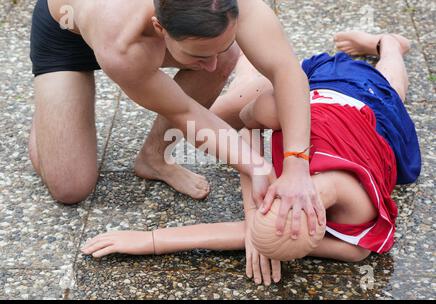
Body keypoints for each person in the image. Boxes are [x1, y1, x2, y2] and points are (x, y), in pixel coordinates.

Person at [81, 30, 421, 286]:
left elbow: (238, 232)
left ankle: (383, 45)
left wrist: (148, 241)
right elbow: (250, 142)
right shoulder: (323, 210)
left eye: (263, 206)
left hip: (361, 116)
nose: (264, 200)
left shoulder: (332, 233)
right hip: (355, 107)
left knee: (391, 84)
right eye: (267, 205)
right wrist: (255, 220)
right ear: (315, 222)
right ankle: (386, 46)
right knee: (260, 116)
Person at [29, 0, 323, 234]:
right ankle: (52, 112)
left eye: (214, 51)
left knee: (226, 53)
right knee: (70, 187)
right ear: (160, 28)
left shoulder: (230, 5)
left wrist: (296, 163)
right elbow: (184, 111)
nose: (211, 67)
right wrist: (254, 164)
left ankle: (153, 158)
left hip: (136, 35)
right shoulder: (122, 43)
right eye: (199, 56)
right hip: (66, 30)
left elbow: (286, 70)